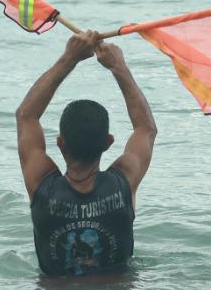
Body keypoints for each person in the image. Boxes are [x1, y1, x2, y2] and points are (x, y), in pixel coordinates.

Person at [16, 30, 157, 277]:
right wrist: (119, 67)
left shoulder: (40, 184)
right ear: (108, 143)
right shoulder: (123, 181)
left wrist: (69, 58)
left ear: (60, 144)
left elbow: (26, 116)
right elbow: (145, 129)